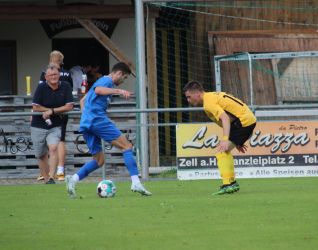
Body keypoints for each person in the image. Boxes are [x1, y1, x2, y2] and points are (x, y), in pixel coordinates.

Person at [65, 62, 152, 197]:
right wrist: (118, 91)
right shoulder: (106, 81)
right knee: (127, 146)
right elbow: (99, 90)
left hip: (87, 123)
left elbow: (83, 101)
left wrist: (87, 116)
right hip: (97, 120)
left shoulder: (100, 81)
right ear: (119, 73)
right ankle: (136, 182)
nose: (123, 82)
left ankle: (73, 179)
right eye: (125, 78)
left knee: (99, 160)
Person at [183, 80, 257, 195]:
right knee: (224, 151)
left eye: (189, 97)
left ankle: (229, 184)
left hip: (243, 121)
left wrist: (225, 139)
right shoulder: (211, 97)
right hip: (245, 120)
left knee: (221, 151)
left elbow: (225, 118)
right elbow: (229, 117)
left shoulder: (208, 103)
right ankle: (231, 183)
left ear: (197, 93)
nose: (188, 100)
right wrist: (237, 141)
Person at [31, 63, 74, 184]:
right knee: (40, 154)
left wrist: (52, 111)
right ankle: (45, 178)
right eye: (50, 75)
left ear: (59, 75)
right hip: (38, 124)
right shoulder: (41, 87)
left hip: (55, 125)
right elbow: (35, 107)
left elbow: (69, 106)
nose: (53, 77)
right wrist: (46, 111)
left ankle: (51, 177)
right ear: (46, 77)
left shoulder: (65, 86)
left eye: (55, 74)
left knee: (54, 148)